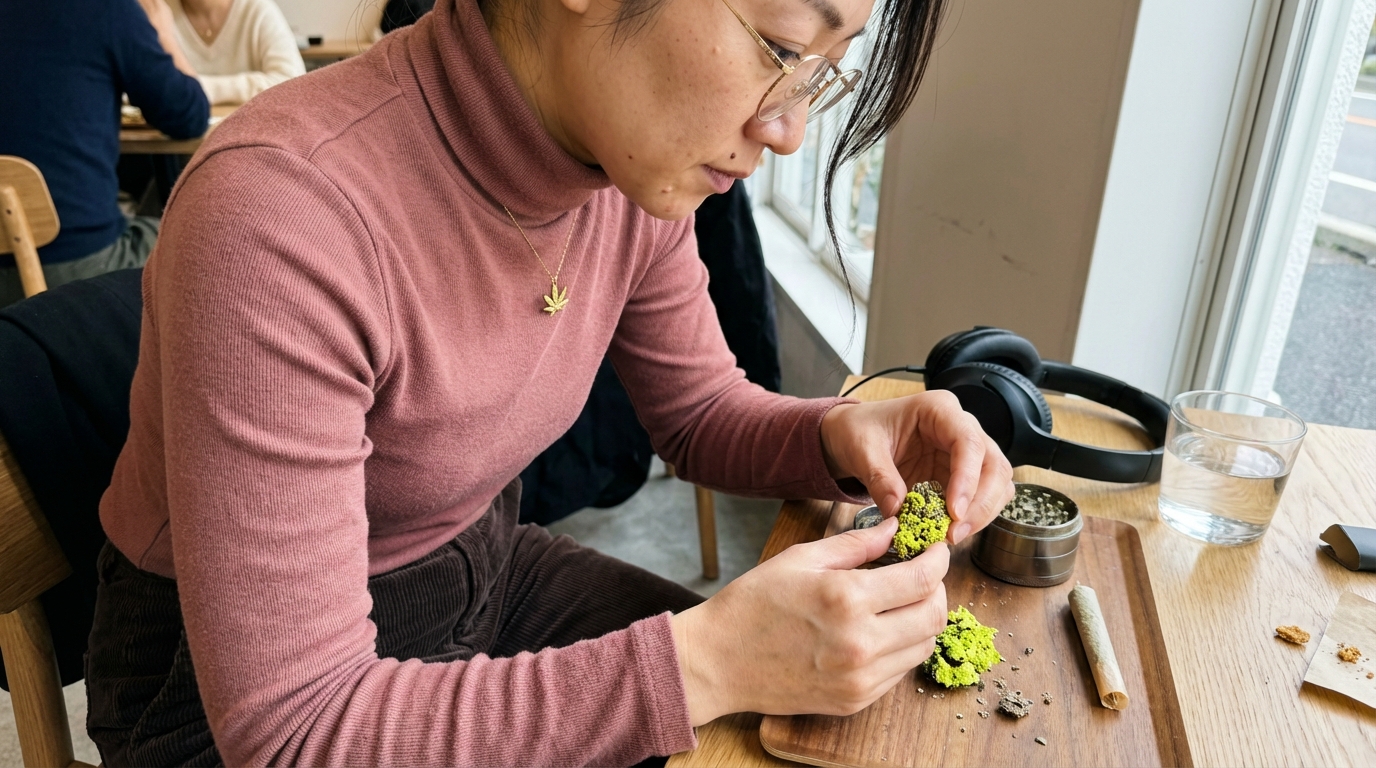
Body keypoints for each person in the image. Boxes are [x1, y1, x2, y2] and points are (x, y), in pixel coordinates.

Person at [87, 0, 1014, 766]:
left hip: (480, 575)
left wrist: (845, 436)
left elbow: (696, 413)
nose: (785, 129)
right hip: (222, 711)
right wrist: (707, 662)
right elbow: (295, 728)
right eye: (779, 48)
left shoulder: (623, 162)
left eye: (823, 68)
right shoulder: (283, 217)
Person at [0, 0, 208, 307]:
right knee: (206, 240)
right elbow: (188, 117)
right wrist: (164, 32)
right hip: (74, 268)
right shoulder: (108, 9)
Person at [162, 0, 305, 105]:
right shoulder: (158, 13)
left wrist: (202, 88)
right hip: (175, 140)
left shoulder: (257, 8)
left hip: (254, 136)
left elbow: (294, 84)